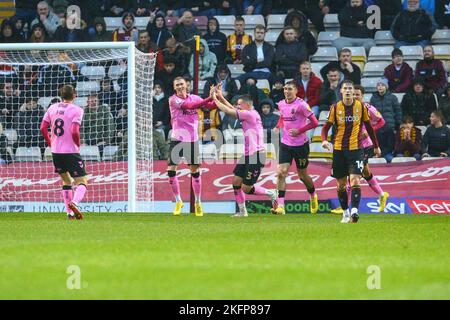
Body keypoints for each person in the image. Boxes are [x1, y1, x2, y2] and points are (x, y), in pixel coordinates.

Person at [321, 80, 381, 223]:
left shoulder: (361, 107)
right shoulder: (335, 108)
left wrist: (376, 146)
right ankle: (345, 212)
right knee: (341, 185)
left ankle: (354, 210)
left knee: (355, 180)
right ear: (341, 91)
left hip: (356, 150)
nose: (348, 91)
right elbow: (325, 128)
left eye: (350, 88)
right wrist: (324, 140)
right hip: (339, 150)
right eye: (345, 88)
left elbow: (369, 127)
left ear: (353, 92)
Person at [212, 87, 277, 217]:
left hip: (257, 155)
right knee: (236, 182)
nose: (238, 106)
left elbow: (228, 111)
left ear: (247, 105)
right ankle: (242, 212)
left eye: (240, 104)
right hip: (247, 154)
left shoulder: (250, 114)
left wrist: (214, 98)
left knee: (246, 188)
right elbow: (233, 109)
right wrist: (221, 96)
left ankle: (271, 193)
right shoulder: (247, 112)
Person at [332, 85, 388, 214]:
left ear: (362, 96)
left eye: (358, 95)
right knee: (365, 173)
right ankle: (381, 194)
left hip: (364, 145)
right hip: (349, 146)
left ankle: (345, 207)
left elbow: (381, 121)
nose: (355, 96)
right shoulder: (345, 108)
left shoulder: (367, 108)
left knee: (354, 175)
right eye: (354, 94)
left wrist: (369, 133)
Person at [167, 77, 217, 217]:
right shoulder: (173, 100)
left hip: (192, 139)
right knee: (171, 170)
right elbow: (190, 107)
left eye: (182, 84)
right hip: (177, 138)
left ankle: (198, 202)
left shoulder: (194, 97)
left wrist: (216, 96)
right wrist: (209, 97)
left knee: (194, 171)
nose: (180, 86)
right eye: (177, 85)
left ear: (186, 85)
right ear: (174, 87)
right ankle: (178, 201)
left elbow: (209, 106)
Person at [40, 85, 87, 220]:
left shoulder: (52, 108)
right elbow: (74, 130)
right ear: (75, 95)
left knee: (66, 181)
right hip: (70, 151)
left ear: (61, 95)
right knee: (82, 181)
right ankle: (75, 203)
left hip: (56, 152)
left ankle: (69, 213)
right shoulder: (77, 110)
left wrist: (50, 143)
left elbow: (43, 127)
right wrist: (77, 144)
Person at [272, 81, 319, 215]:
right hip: (286, 143)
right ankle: (281, 206)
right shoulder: (281, 103)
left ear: (296, 91)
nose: (287, 91)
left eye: (290, 89)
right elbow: (282, 116)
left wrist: (299, 131)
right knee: (281, 172)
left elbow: (315, 122)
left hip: (301, 145)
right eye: (285, 89)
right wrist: (278, 126)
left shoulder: (302, 105)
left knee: (303, 176)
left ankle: (313, 194)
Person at [370, 78, 402, 163]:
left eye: (382, 85)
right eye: (378, 85)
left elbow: (397, 111)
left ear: (386, 87)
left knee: (389, 145)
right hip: (377, 127)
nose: (380, 87)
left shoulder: (392, 97)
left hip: (389, 126)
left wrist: (397, 124)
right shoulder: (373, 98)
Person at [81, 94, 115, 158]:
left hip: (101, 140)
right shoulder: (84, 112)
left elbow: (110, 127)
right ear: (87, 102)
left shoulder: (105, 110)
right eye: (91, 101)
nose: (94, 103)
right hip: (88, 140)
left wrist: (106, 141)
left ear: (98, 102)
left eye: (95, 101)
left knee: (100, 150)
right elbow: (81, 129)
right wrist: (82, 142)